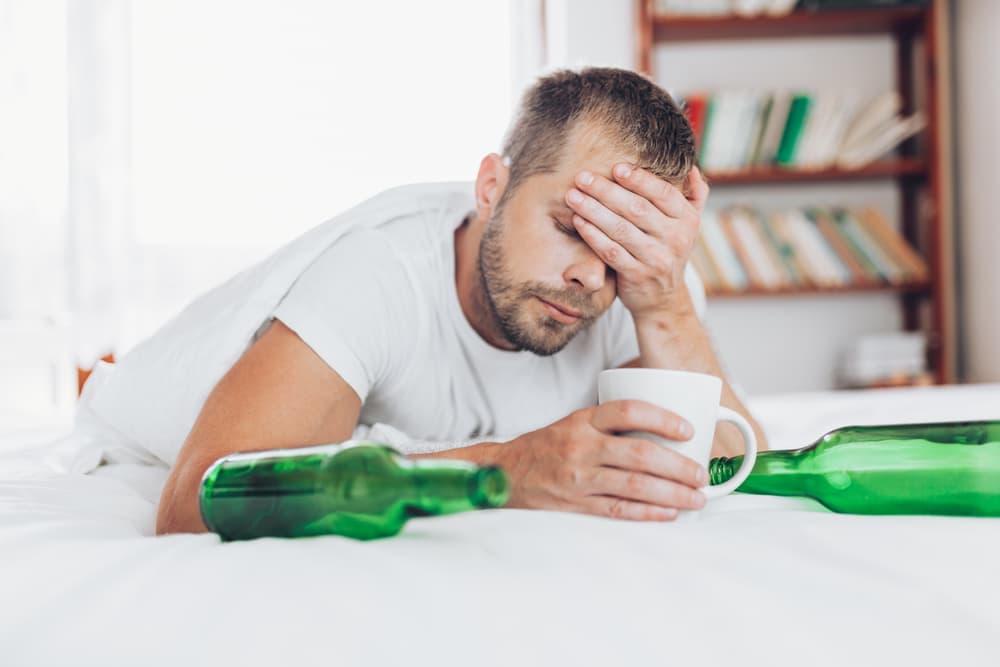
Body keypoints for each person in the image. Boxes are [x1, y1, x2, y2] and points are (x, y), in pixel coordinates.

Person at [155, 66, 767, 535]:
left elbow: (733, 466)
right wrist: (507, 468)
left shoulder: (643, 286)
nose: (591, 276)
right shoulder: (378, 274)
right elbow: (198, 498)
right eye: (571, 229)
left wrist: (665, 307)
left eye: (621, 250)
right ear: (492, 188)